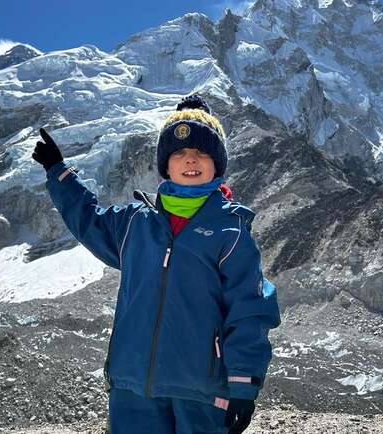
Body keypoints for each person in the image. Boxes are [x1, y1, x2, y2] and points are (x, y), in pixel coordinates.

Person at [33, 94, 280, 434]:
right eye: (179, 153)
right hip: (132, 387)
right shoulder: (136, 223)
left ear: (217, 164)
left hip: (201, 392)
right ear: (166, 163)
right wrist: (59, 173)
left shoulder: (231, 231)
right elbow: (89, 221)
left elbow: (249, 309)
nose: (190, 160)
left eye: (201, 152)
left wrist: (242, 386)